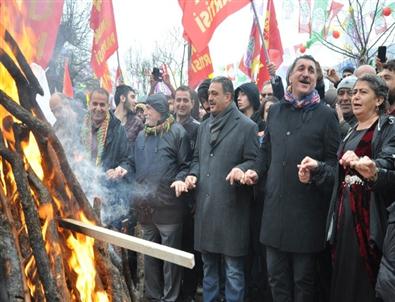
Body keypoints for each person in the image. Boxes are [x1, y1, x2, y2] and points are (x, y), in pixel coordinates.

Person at [243, 55, 340, 302]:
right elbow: (265, 153)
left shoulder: (326, 116)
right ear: (290, 77)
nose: (306, 74)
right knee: (276, 280)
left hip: (307, 218)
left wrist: (317, 169)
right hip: (274, 214)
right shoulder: (274, 111)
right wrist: (255, 170)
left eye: (311, 70)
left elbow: (334, 168)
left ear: (317, 79)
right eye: (301, 69)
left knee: (303, 284)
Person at [297, 74, 395, 302]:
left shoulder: (389, 128)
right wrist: (318, 169)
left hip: (370, 220)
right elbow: (339, 176)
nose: (355, 97)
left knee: (366, 284)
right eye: (354, 93)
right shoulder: (350, 130)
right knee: (342, 281)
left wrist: (373, 169)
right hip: (344, 218)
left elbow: (388, 163)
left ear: (379, 100)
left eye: (363, 92)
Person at [184, 76, 259, 302]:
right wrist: (192, 174)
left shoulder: (247, 127)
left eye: (215, 94)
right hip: (206, 211)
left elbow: (255, 161)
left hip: (232, 210)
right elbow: (196, 159)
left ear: (229, 96)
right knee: (209, 269)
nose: (209, 98)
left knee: (234, 271)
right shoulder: (204, 126)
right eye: (209, 94)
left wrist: (241, 169)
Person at [127, 93, 191, 302]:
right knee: (150, 257)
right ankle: (153, 298)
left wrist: (181, 179)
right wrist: (122, 168)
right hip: (146, 210)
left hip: (169, 208)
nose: (144, 113)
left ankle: (170, 298)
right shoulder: (141, 136)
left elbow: (186, 166)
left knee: (170, 259)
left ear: (160, 111)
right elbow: (131, 162)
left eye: (148, 109)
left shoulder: (177, 132)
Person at [173, 85, 201, 302]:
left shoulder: (198, 129)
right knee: (172, 247)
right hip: (169, 198)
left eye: (185, 100)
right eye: (178, 100)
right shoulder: (167, 127)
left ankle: (189, 292)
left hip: (190, 198)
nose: (181, 104)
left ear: (192, 103)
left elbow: (197, 161)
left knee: (189, 247)